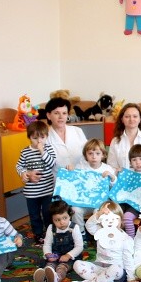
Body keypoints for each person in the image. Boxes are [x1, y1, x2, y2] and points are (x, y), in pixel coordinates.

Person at [67, 201, 136, 282]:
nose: (110, 222)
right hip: (99, 267)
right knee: (77, 264)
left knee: (116, 268)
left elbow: (128, 259)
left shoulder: (125, 239)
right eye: (106, 218)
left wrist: (131, 277)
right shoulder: (99, 231)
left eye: (115, 218)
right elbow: (89, 225)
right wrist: (98, 214)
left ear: (121, 220)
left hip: (116, 272)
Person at [45, 96, 88, 233]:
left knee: (78, 208)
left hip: (80, 179)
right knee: (63, 215)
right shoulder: (45, 136)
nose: (61, 117)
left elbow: (87, 155)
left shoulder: (77, 131)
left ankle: (81, 229)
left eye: (64, 113)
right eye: (56, 113)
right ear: (49, 115)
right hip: (57, 183)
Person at [16, 120, 56, 244]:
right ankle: (38, 234)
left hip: (47, 190)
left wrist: (42, 151)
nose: (39, 141)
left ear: (46, 137)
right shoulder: (25, 152)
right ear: (29, 138)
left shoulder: (48, 149)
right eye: (35, 138)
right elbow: (19, 166)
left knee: (47, 213)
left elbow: (52, 163)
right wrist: (23, 173)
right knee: (34, 215)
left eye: (42, 138)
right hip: (32, 192)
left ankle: (50, 233)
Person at [33, 198, 83, 282]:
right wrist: (48, 254)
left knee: (62, 267)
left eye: (65, 218)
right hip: (55, 255)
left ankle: (56, 278)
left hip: (70, 257)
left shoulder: (74, 228)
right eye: (57, 220)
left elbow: (79, 246)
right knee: (49, 265)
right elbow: (47, 244)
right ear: (52, 220)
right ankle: (43, 277)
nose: (62, 222)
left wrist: (68, 255)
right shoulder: (51, 228)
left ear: (70, 216)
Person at [107, 102, 141, 172]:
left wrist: (139, 176)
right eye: (127, 116)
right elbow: (111, 166)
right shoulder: (115, 141)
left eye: (135, 116)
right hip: (122, 178)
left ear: (140, 119)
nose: (131, 119)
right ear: (122, 119)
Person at [121, 143, 141, 238]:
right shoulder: (129, 175)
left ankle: (135, 240)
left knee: (127, 217)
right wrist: (119, 175)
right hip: (131, 205)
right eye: (134, 160)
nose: (138, 162)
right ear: (130, 162)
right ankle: (126, 239)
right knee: (122, 215)